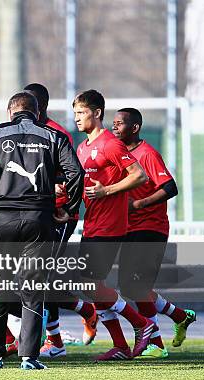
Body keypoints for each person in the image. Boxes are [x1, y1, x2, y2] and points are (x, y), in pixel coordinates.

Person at [0, 92, 84, 370]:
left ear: (10, 112)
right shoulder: (54, 136)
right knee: (32, 289)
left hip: (1, 218)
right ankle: (29, 357)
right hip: (38, 219)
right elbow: (75, 172)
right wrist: (70, 208)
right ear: (38, 112)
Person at [73, 90, 154, 361]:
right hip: (91, 224)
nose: (77, 118)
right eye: (75, 113)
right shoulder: (83, 147)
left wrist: (107, 191)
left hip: (110, 225)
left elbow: (139, 176)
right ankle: (120, 345)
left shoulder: (110, 144)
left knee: (90, 285)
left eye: (81, 113)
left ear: (96, 113)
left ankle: (142, 323)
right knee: (92, 288)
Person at [23, 83, 98, 359]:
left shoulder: (58, 133)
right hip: (35, 212)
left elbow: (72, 173)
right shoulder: (23, 133)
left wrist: (65, 200)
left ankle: (53, 339)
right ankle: (81, 312)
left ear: (37, 108)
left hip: (59, 214)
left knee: (40, 277)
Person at [113, 107, 195, 358]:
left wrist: (138, 205)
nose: (114, 128)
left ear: (134, 127)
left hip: (150, 227)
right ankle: (179, 316)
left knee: (136, 286)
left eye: (119, 124)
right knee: (131, 287)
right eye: (113, 123)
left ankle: (155, 344)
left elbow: (170, 187)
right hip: (128, 227)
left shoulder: (147, 153)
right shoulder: (120, 153)